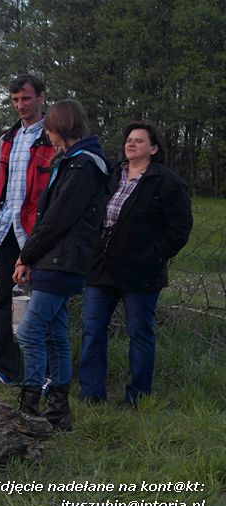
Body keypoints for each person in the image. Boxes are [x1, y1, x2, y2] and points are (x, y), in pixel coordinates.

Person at [78, 121, 193, 408]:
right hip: (102, 267)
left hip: (141, 272)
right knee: (93, 330)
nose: (131, 144)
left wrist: (154, 256)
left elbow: (179, 229)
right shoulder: (112, 175)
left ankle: (137, 396)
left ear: (153, 149)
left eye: (139, 141)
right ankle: (91, 393)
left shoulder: (166, 182)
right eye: (129, 139)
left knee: (139, 333)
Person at [13, 100, 111, 431]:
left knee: (29, 332)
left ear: (61, 128)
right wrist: (31, 258)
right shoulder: (72, 162)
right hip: (53, 260)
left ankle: (30, 409)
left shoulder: (84, 166)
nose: (48, 136)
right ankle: (58, 412)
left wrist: (26, 254)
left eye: (50, 129)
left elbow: (58, 219)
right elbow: (51, 218)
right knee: (55, 335)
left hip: (62, 261)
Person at [0, 74, 55, 386]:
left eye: (26, 98)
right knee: (6, 300)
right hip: (6, 228)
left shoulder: (53, 137)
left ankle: (47, 372)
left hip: (38, 232)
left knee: (42, 303)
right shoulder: (6, 139)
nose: (20, 105)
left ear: (41, 97)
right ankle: (7, 368)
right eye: (15, 100)